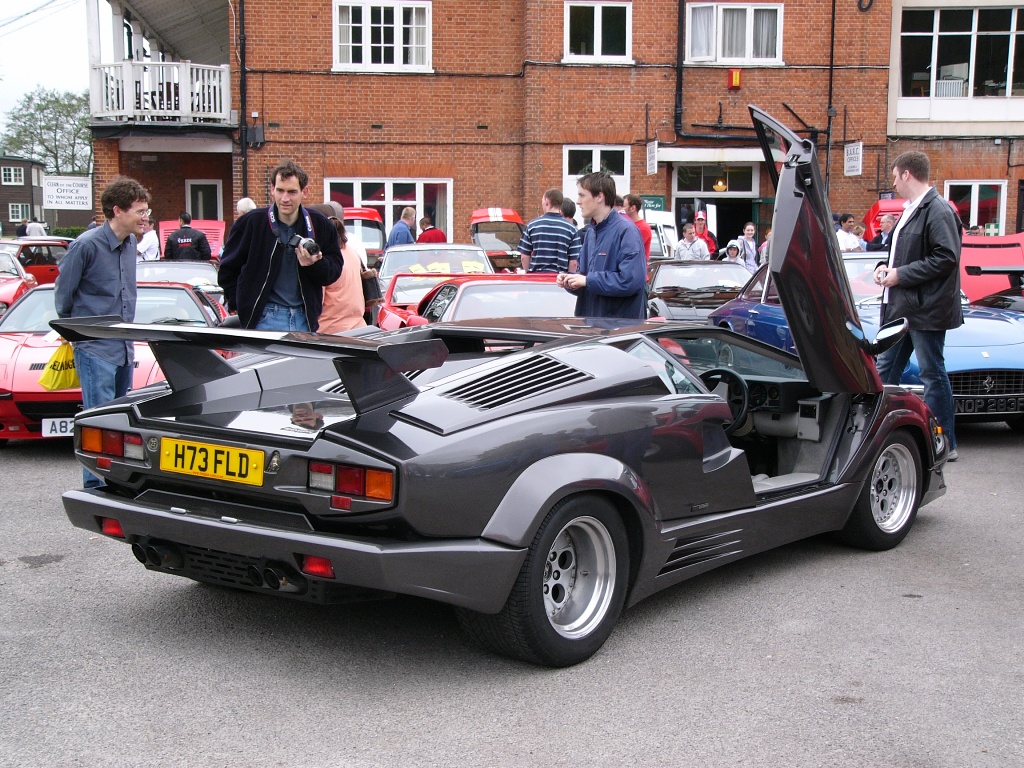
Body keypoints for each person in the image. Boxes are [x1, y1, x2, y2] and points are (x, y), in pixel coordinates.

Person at [54, 176, 150, 488]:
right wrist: (78, 335)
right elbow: (63, 295)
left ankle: (117, 481)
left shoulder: (131, 243)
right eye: (140, 211)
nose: (145, 217)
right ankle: (95, 485)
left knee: (120, 422)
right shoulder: (86, 246)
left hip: (123, 347)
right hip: (95, 348)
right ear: (118, 211)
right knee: (98, 420)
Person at [873, 150, 963, 461]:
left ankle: (945, 442)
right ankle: (877, 435)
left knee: (931, 373)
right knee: (885, 370)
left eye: (895, 176)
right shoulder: (913, 209)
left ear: (907, 174)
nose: (894, 182)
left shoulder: (936, 210)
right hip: (905, 308)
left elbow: (946, 257)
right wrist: (886, 267)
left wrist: (900, 275)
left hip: (925, 310)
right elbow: (906, 253)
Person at [218, 160, 342, 331]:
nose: (285, 198)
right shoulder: (251, 223)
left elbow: (334, 271)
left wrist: (315, 265)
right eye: (280, 191)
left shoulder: (319, 224)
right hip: (262, 318)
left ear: (304, 192)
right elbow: (227, 270)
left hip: (304, 319)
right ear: (272, 190)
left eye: (292, 192)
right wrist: (241, 305)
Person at [557, 172, 646, 319]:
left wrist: (587, 281)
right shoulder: (591, 233)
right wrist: (571, 280)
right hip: (591, 328)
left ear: (599, 196)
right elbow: (586, 279)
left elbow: (630, 281)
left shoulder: (627, 231)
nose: (578, 202)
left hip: (618, 332)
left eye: (582, 195)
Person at [314, 202, 369, 334]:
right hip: (359, 329)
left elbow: (314, 305)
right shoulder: (350, 251)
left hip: (330, 336)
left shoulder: (323, 259)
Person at [518, 188, 581, 273]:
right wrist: (568, 278)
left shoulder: (532, 226)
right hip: (560, 280)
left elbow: (524, 257)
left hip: (536, 279)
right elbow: (574, 262)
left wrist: (528, 272)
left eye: (542, 202)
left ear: (547, 201)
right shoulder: (571, 229)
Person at [623, 194, 652, 261]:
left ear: (632, 208)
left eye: (624, 206)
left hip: (635, 269)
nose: (622, 209)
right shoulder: (627, 224)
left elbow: (630, 248)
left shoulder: (643, 227)